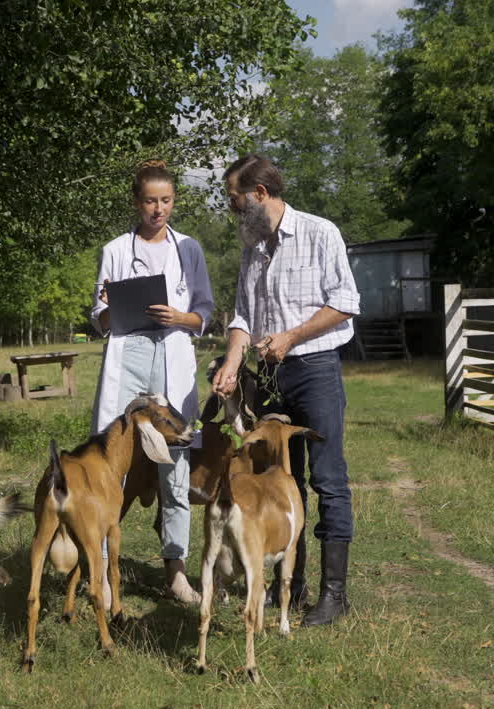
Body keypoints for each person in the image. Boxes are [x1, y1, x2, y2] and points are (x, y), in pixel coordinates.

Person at [211, 153, 360, 626]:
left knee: (327, 478)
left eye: (236, 202)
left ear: (259, 194)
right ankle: (289, 588)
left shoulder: (320, 232)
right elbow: (243, 317)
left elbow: (346, 302)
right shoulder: (253, 249)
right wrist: (233, 362)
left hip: (314, 369)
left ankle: (335, 596)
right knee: (277, 479)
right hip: (271, 376)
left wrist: (292, 336)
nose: (234, 212)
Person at [91, 159, 215, 605]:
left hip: (172, 353)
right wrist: (108, 306)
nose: (158, 210)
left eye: (166, 201)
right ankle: (102, 571)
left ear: (173, 201)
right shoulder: (114, 250)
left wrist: (178, 317)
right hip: (129, 354)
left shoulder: (190, 250)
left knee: (175, 463)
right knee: (110, 460)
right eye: (150, 201)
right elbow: (100, 319)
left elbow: (204, 312)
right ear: (136, 202)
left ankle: (176, 569)